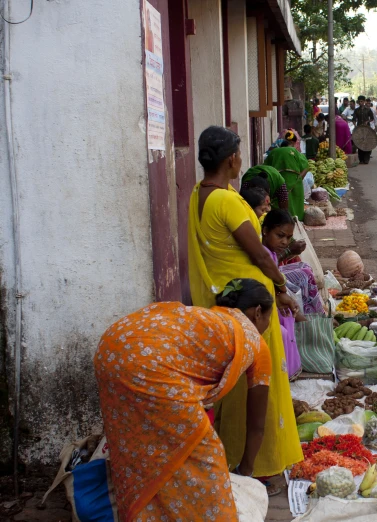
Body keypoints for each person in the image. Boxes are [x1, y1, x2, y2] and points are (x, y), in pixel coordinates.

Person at [94, 279, 275, 520]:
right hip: (148, 367)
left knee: (143, 451)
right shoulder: (254, 340)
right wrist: (245, 471)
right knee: (207, 459)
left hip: (111, 347)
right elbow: (257, 425)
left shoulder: (209, 318)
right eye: (268, 321)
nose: (267, 326)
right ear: (258, 312)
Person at [187, 126, 303, 491]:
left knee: (234, 386)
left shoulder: (200, 193)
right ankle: (256, 467)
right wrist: (282, 289)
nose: (240, 159)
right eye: (238, 153)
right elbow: (257, 253)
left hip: (233, 300)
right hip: (249, 308)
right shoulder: (224, 201)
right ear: (230, 159)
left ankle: (235, 459)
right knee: (256, 387)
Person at [262, 209, 325, 315]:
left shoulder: (271, 252)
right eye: (280, 236)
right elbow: (273, 272)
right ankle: (315, 317)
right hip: (269, 291)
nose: (285, 242)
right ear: (265, 231)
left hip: (276, 285)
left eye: (288, 238)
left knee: (305, 266)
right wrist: (288, 251)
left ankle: (317, 315)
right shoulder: (261, 252)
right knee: (305, 275)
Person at [264, 140, 310, 220]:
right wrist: (299, 178)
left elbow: (265, 168)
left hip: (277, 181)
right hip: (295, 181)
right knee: (295, 202)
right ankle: (297, 220)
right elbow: (306, 166)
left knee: (279, 201)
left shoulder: (273, 152)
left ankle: (280, 220)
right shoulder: (294, 151)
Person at [353, 95, 376, 165]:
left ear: (364, 101)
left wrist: (367, 121)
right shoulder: (356, 110)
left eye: (362, 101)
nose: (361, 103)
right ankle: (361, 159)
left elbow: (372, 118)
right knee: (360, 144)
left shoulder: (368, 110)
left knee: (367, 143)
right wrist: (355, 125)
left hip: (367, 129)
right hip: (359, 129)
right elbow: (353, 119)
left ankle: (366, 159)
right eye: (359, 101)